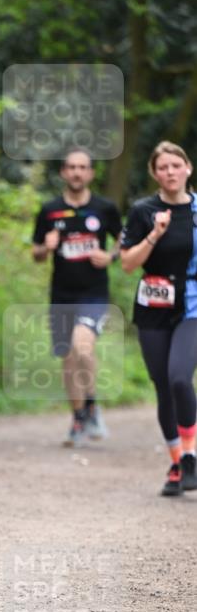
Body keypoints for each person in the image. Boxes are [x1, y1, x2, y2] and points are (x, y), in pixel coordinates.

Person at [120, 141, 197, 497]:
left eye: (175, 165)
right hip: (153, 304)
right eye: (163, 167)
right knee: (163, 386)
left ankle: (190, 456)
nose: (170, 172)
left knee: (180, 377)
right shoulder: (143, 211)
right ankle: (176, 462)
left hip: (192, 305)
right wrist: (154, 234)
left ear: (188, 168)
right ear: (154, 173)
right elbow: (127, 263)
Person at [32, 149, 122, 446]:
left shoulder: (104, 208)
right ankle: (79, 417)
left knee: (82, 345)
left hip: (93, 293)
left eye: (82, 167)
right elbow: (36, 254)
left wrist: (109, 256)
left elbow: (124, 241)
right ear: (63, 172)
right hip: (61, 294)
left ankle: (92, 405)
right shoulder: (50, 210)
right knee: (68, 357)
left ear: (91, 173)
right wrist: (46, 248)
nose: (76, 172)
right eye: (71, 167)